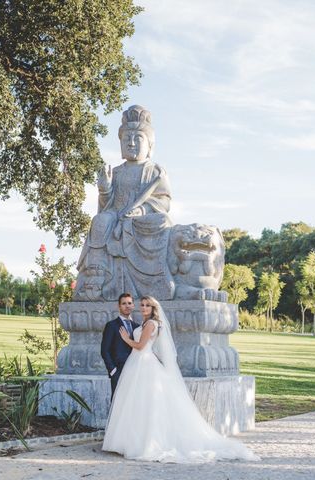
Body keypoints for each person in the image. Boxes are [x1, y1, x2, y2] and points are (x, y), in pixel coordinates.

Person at [102, 296, 259, 463]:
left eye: (147, 305)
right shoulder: (142, 323)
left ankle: (145, 443)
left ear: (154, 308)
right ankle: (128, 440)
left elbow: (141, 346)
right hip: (137, 364)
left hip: (144, 362)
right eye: (142, 305)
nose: (143, 308)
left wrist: (127, 339)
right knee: (136, 403)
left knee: (146, 404)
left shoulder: (151, 324)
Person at [73, 105, 175, 302]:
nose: (131, 143)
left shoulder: (155, 172)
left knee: (162, 221)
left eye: (138, 138)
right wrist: (105, 189)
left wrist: (142, 209)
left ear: (150, 145)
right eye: (127, 138)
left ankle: (155, 281)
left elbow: (163, 201)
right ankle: (96, 278)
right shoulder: (117, 172)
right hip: (117, 216)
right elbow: (107, 205)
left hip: (140, 220)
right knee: (100, 221)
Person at [100, 293, 141, 396]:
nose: (127, 306)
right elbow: (105, 350)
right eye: (124, 303)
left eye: (129, 303)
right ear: (119, 306)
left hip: (136, 370)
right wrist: (113, 371)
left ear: (133, 305)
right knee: (118, 402)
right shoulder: (112, 325)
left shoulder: (138, 327)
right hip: (118, 371)